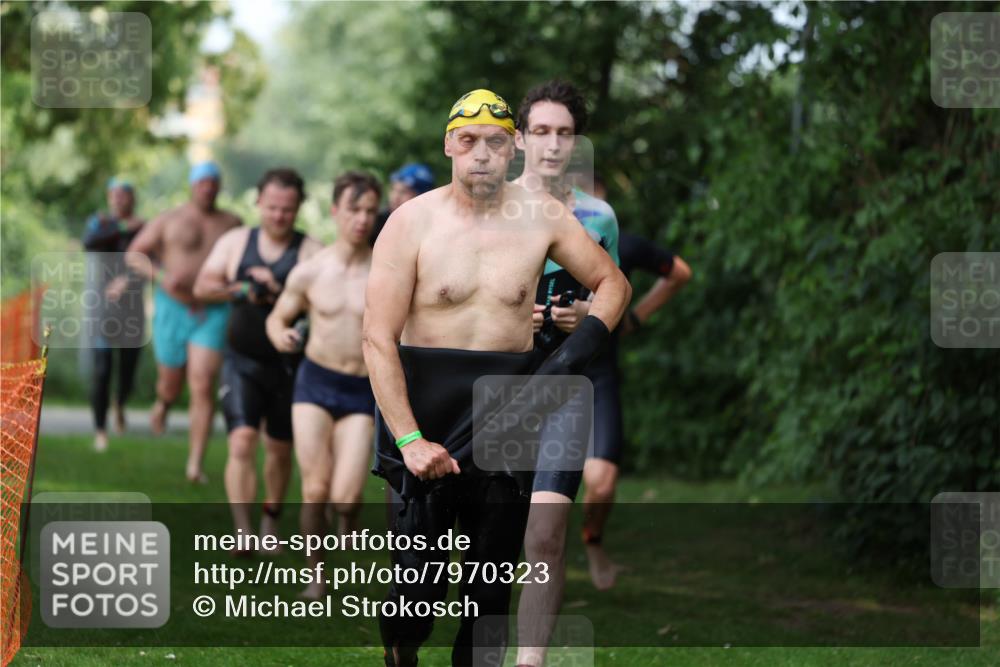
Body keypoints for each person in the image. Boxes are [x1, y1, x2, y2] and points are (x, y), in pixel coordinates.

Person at [363, 88, 630, 667]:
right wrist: (410, 440)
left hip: (510, 410)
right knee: (416, 595)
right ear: (448, 147)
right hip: (427, 411)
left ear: (512, 148)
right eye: (467, 142)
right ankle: (400, 655)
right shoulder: (410, 223)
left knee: (489, 596)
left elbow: (614, 285)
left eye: (493, 142)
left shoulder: (544, 218)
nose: (480, 154)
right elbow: (377, 339)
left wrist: (569, 357)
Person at [266, 171, 381, 597]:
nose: (362, 219)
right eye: (354, 209)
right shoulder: (311, 271)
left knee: (346, 496)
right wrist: (282, 335)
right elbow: (277, 318)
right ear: (336, 211)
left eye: (371, 210)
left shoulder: (385, 270)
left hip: (360, 389)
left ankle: (348, 517)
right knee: (315, 489)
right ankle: (317, 576)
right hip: (314, 382)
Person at [194, 168, 321, 550]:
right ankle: (242, 532)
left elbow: (324, 302)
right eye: (272, 208)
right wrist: (244, 287)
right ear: (259, 203)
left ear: (298, 207)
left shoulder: (310, 250)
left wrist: (279, 289)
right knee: (242, 440)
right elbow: (203, 286)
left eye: (287, 209)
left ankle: (269, 521)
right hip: (242, 358)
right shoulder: (236, 242)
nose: (279, 216)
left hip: (286, 365)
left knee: (280, 451)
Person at [580, 174, 692, 586]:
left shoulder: (624, 245)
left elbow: (679, 273)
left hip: (599, 374)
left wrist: (635, 318)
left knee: (602, 480)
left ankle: (593, 543)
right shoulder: (535, 241)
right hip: (541, 374)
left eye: (591, 194)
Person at [126, 161, 241, 482]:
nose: (207, 187)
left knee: (203, 383)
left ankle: (195, 465)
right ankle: (164, 403)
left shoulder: (232, 222)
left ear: (218, 187)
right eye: (202, 182)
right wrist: (161, 276)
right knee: (171, 383)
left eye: (213, 182)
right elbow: (134, 254)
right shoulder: (169, 219)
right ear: (192, 185)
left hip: (212, 310)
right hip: (172, 308)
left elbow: (241, 259)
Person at [82, 177, 145, 452]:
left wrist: (128, 281)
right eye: (114, 195)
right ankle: (100, 431)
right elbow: (89, 242)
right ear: (108, 197)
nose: (118, 200)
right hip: (102, 309)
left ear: (133, 198)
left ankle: (120, 402)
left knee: (128, 370)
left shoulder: (145, 227)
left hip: (133, 309)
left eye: (124, 195)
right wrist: (120, 226)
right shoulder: (100, 223)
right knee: (102, 369)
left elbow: (152, 263)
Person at [368, 163, 435, 245]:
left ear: (422, 197)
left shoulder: (434, 230)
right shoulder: (377, 223)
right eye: (393, 189)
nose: (395, 197)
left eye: (403, 192)